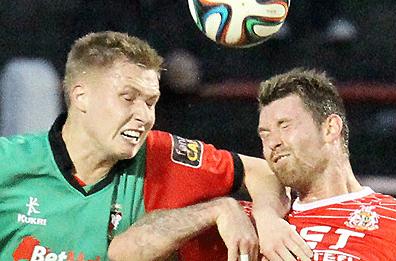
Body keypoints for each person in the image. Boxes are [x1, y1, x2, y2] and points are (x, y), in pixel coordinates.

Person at [0, 31, 313, 261]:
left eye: (151, 102)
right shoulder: (9, 162)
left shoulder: (157, 153)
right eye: (128, 98)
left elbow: (262, 173)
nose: (144, 116)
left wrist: (269, 221)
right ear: (81, 97)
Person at [256, 68, 396, 260]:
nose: (273, 142)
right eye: (264, 135)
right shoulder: (255, 223)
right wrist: (226, 208)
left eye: (284, 126)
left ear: (330, 128)